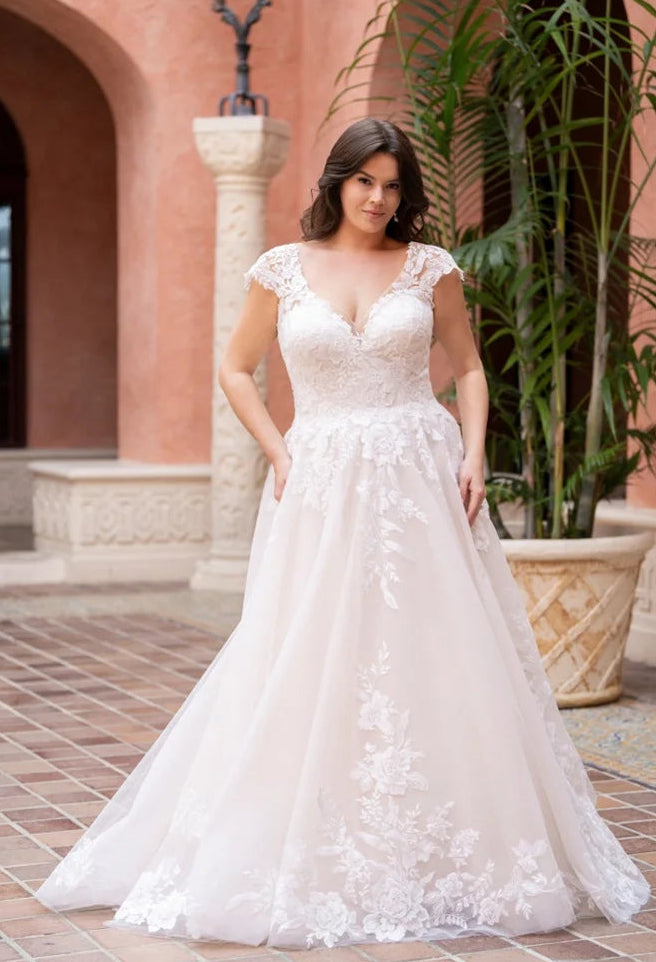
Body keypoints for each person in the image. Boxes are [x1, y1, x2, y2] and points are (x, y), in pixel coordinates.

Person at [36, 118, 649, 948]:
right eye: (366, 181)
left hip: (420, 481)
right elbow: (234, 367)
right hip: (319, 478)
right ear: (337, 182)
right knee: (307, 652)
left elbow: (466, 368)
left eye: (394, 186)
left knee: (434, 654)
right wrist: (280, 452)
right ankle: (305, 831)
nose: (379, 199)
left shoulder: (430, 268)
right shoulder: (281, 271)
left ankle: (451, 846)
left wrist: (473, 455)